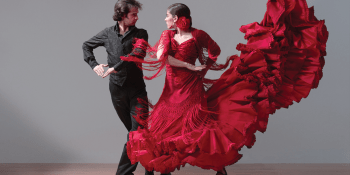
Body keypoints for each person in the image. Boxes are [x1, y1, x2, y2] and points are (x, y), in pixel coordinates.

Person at [121, 1, 328, 175]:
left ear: (176, 18)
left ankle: (219, 167)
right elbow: (162, 57)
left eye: (167, 16)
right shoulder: (167, 35)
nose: (165, 19)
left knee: (197, 128)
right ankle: (158, 168)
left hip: (191, 89)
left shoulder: (198, 35)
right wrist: (190, 66)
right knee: (161, 128)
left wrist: (202, 70)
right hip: (171, 90)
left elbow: (215, 51)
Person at [82, 0, 157, 175]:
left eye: (137, 14)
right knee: (136, 133)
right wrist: (94, 65)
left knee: (137, 132)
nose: (137, 17)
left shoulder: (141, 33)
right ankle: (151, 167)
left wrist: (114, 67)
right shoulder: (108, 33)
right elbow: (86, 45)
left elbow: (137, 53)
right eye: (133, 14)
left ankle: (123, 173)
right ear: (122, 15)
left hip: (137, 90)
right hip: (116, 91)